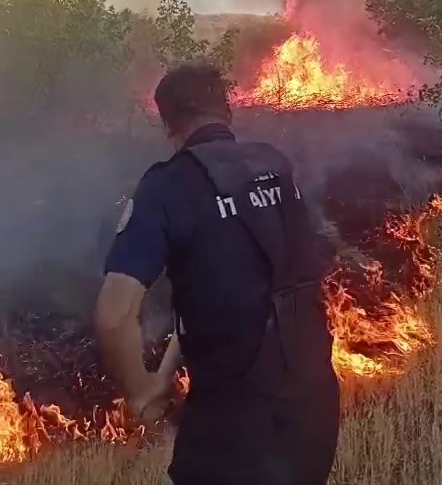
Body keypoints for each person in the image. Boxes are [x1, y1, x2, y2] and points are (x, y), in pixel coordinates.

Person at [95, 61, 339, 484]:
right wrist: (165, 375)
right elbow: (234, 293)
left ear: (167, 124)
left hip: (236, 422)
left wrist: (140, 391)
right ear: (227, 111)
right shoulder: (276, 166)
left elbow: (114, 316)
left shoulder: (167, 186)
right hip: (315, 405)